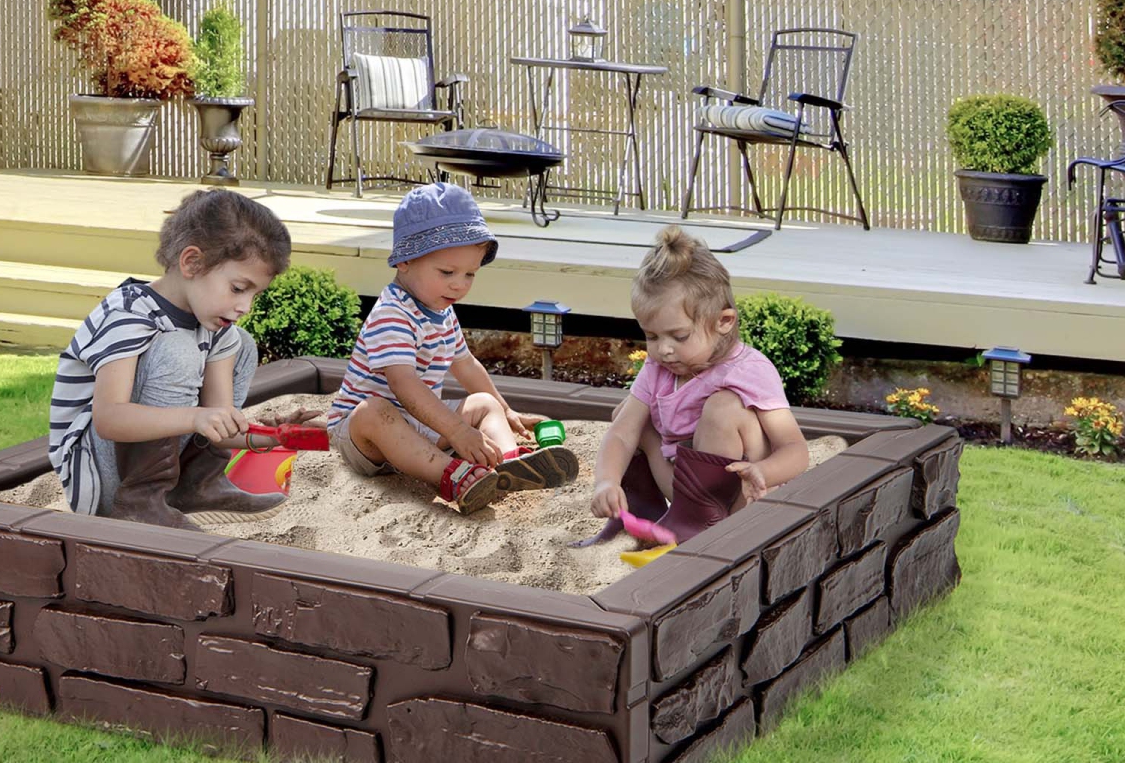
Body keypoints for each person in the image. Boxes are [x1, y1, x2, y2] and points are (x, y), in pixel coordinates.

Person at [327, 182, 579, 514]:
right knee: (374, 411)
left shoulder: (442, 311)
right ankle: (452, 477)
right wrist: (458, 431)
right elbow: (404, 385)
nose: (459, 284)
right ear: (405, 260)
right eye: (447, 272)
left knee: (484, 402)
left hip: (421, 426)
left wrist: (506, 411)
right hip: (367, 438)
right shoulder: (392, 314)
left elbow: (467, 365)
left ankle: (510, 464)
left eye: (470, 274)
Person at [48, 189, 296, 526]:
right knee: (176, 348)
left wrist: (276, 434)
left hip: (160, 457)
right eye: (239, 288)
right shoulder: (129, 315)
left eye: (255, 294)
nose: (245, 306)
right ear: (192, 262)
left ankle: (196, 486)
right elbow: (108, 418)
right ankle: (141, 502)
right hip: (97, 473)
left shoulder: (217, 327)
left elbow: (218, 422)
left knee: (243, 344)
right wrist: (195, 417)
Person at [589, 226, 809, 548]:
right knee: (629, 413)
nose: (663, 349)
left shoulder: (749, 370)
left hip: (739, 494)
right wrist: (605, 482)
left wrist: (764, 471)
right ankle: (638, 512)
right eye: (652, 336)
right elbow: (622, 432)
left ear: (724, 322)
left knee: (723, 407)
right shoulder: (660, 367)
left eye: (679, 337)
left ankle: (697, 524)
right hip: (685, 494)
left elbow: (796, 449)